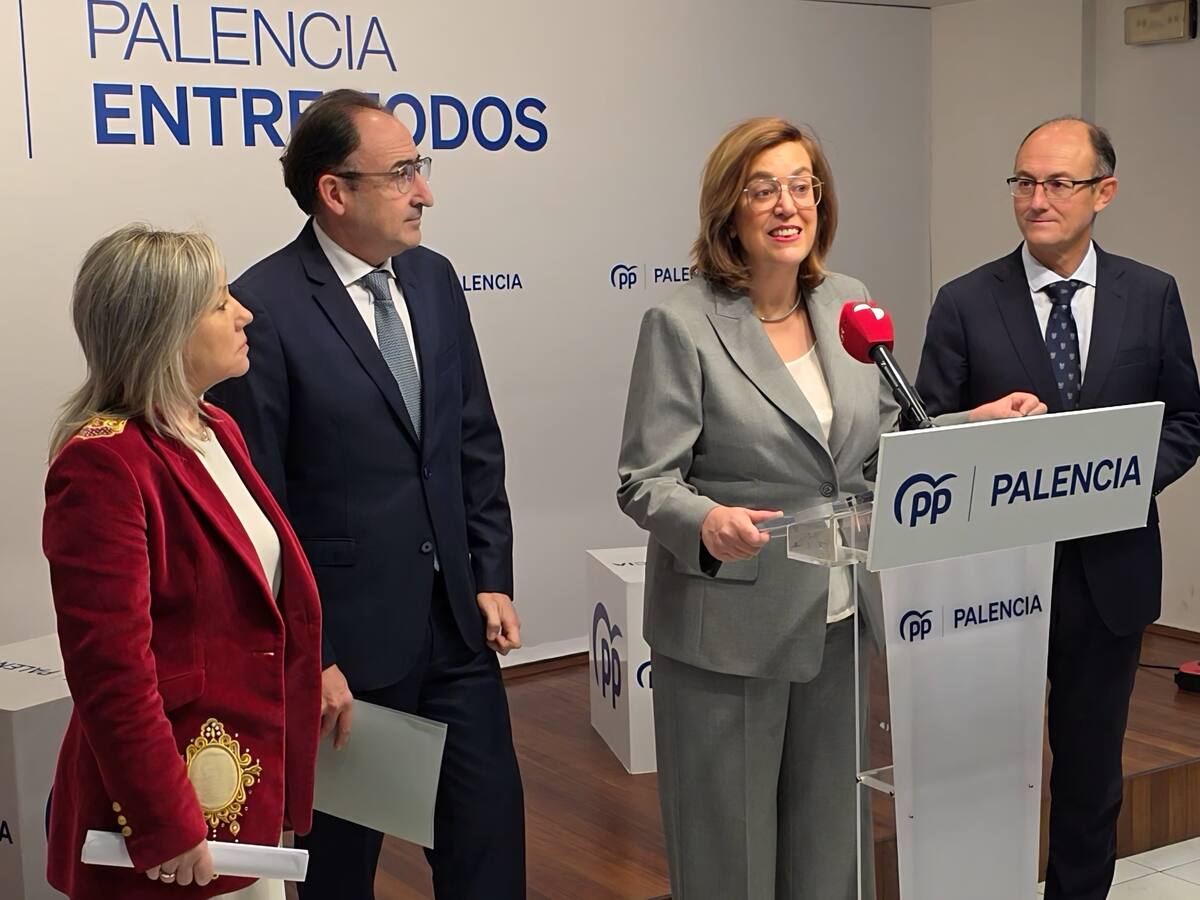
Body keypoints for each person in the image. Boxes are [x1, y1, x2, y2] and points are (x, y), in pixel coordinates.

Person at [616, 116, 1042, 900]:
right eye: (763, 189)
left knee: (830, 849)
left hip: (838, 618)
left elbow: (876, 448)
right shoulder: (681, 324)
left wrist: (967, 424)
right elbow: (646, 480)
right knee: (730, 859)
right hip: (730, 629)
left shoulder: (848, 303)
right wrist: (705, 522)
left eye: (801, 185)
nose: (788, 205)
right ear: (729, 210)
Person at [207, 89, 524, 899]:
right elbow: (260, 507)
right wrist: (309, 655)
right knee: (340, 877)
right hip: (346, 656)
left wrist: (490, 572)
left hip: (458, 629)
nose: (426, 192)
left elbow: (471, 440)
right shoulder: (263, 308)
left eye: (421, 167)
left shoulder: (434, 279)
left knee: (489, 857)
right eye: (403, 173)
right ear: (335, 191)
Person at [916, 116, 1200, 900]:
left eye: (1059, 183)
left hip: (1109, 575)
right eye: (1024, 182)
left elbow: (1185, 420)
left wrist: (1121, 480)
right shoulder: (965, 301)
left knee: (1090, 773)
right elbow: (921, 432)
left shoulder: (1151, 294)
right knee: (980, 767)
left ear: (1104, 192)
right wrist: (975, 430)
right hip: (990, 582)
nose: (1037, 200)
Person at [43, 225, 323, 899]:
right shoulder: (103, 463)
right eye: (220, 302)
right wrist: (164, 819)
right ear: (163, 329)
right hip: (169, 820)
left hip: (240, 787)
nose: (244, 313)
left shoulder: (216, 428)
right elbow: (111, 672)